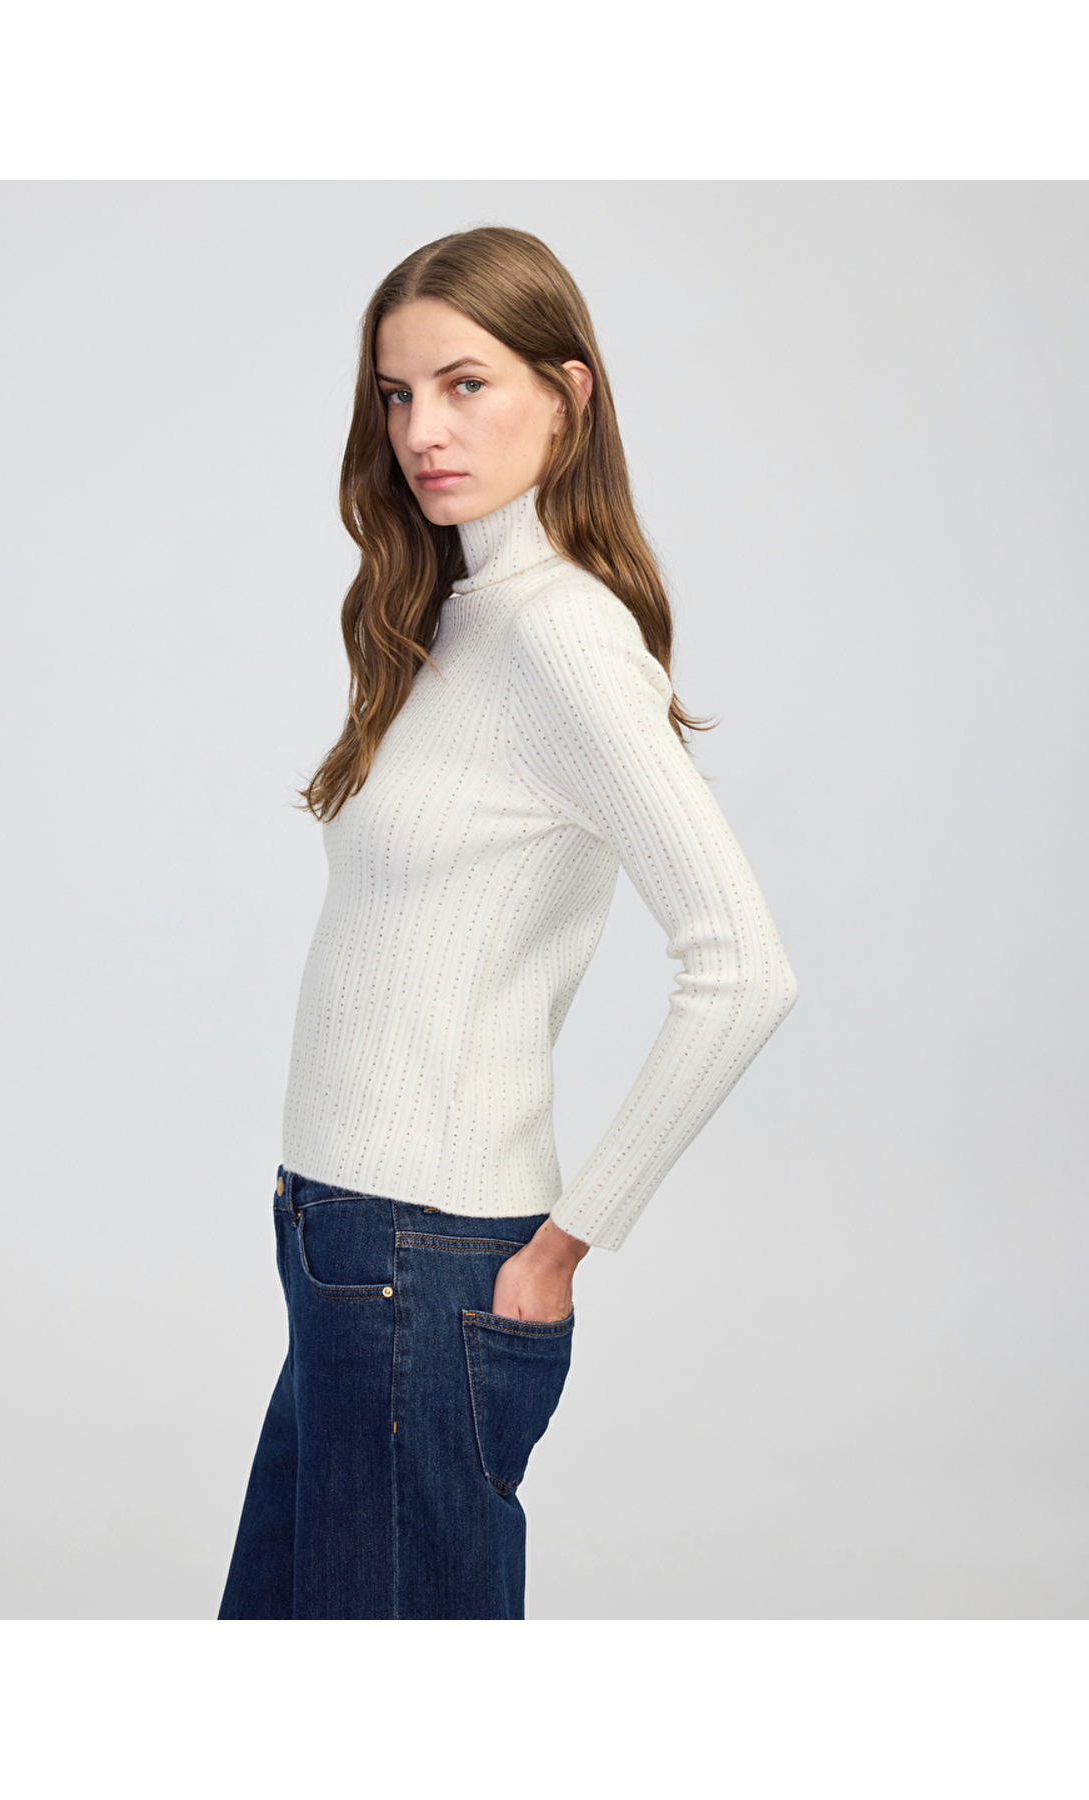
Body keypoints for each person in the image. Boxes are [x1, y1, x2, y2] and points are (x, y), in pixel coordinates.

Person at [218, 226, 798, 1620]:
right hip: (345, 1241)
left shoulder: (560, 634)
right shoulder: (454, 619)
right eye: (397, 394)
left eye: (465, 384)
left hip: (427, 1258)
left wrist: (567, 1243)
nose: (423, 429)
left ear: (568, 393)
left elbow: (743, 970)